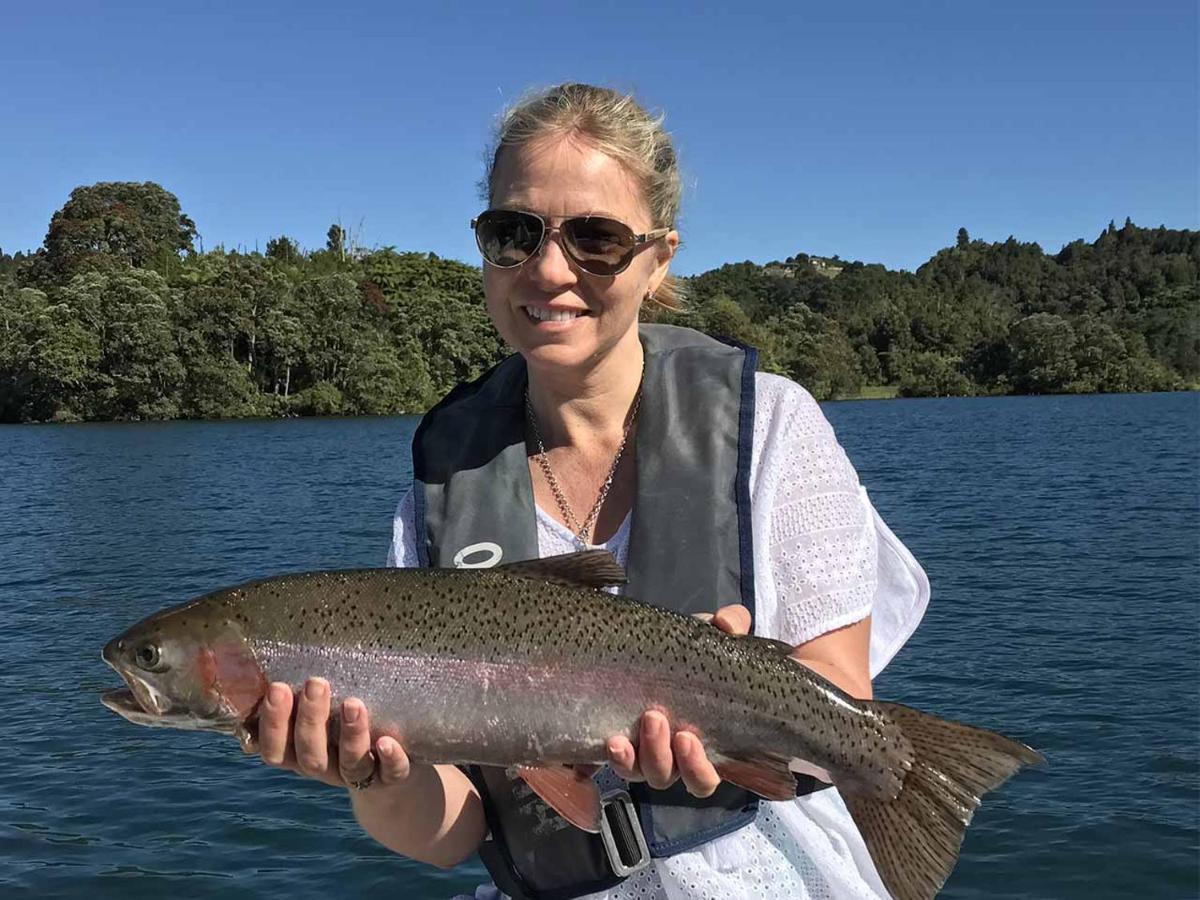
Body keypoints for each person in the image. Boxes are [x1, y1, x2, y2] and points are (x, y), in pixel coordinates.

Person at [253, 83, 929, 899]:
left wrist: (728, 708)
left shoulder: (772, 426)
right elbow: (452, 831)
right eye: (514, 233)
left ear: (659, 258)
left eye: (596, 238)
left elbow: (839, 696)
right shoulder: (438, 495)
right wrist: (370, 774)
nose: (547, 268)